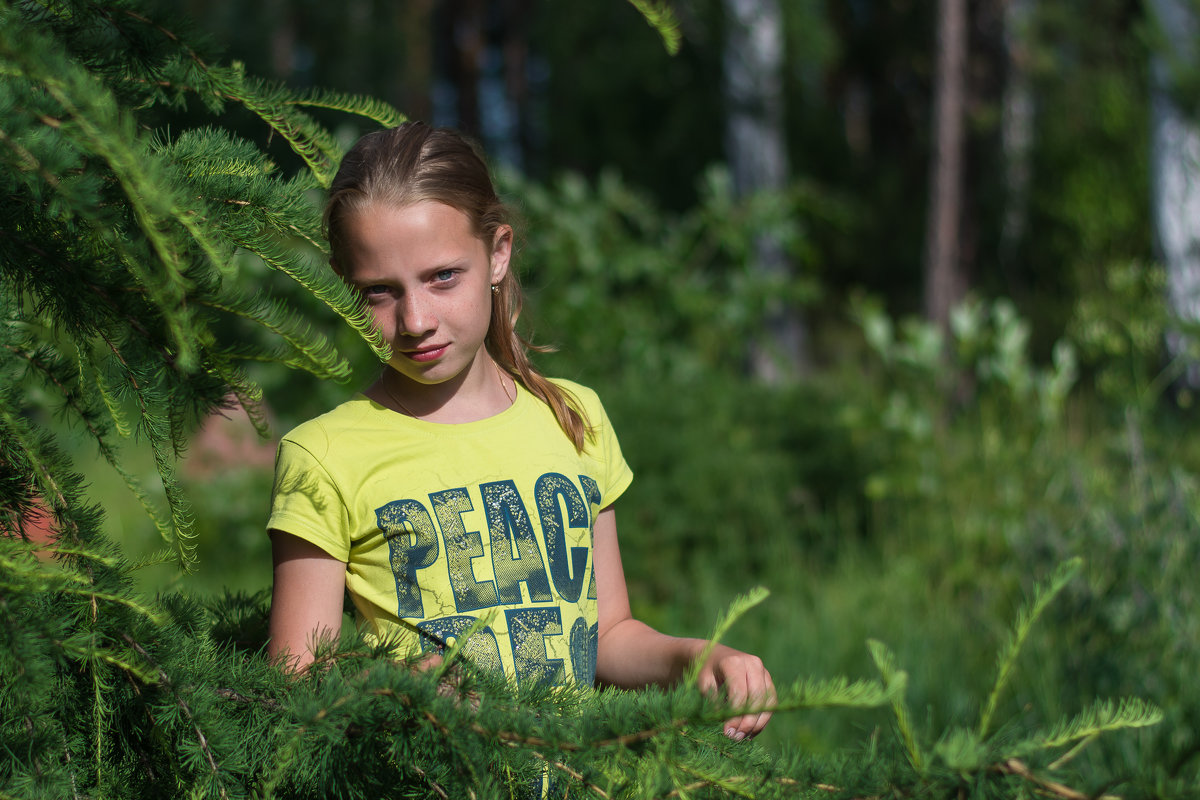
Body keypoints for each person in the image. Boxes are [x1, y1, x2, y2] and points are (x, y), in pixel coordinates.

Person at [266, 121, 774, 741]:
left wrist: (696, 659)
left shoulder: (573, 417)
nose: (416, 319)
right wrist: (394, 693)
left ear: (498, 253)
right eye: (380, 292)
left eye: (443, 276)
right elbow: (294, 689)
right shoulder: (323, 455)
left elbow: (608, 636)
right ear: (347, 288)